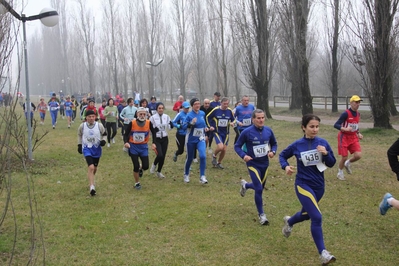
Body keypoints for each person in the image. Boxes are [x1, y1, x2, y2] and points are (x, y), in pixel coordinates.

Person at [279, 114, 337, 265]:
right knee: (316, 217)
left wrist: (326, 154)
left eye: (317, 126)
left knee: (306, 214)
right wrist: (285, 166)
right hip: (303, 185)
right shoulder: (297, 144)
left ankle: (290, 221)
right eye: (311, 126)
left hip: (319, 187)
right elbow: (282, 156)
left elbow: (331, 163)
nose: (315, 129)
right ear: (303, 127)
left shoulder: (323, 143)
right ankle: (323, 253)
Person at [234, 109, 277, 225]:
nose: (261, 120)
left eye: (262, 118)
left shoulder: (268, 131)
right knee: (258, 189)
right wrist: (244, 156)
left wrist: (273, 151)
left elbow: (274, 143)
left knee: (260, 187)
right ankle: (262, 215)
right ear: (253, 119)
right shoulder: (247, 132)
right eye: (258, 118)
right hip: (253, 164)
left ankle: (246, 185)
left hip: (265, 164)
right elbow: (237, 146)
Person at [77, 110, 107, 196]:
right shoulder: (82, 126)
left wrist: (104, 141)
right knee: (91, 167)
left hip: (97, 149)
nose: (91, 118)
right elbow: (79, 134)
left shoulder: (99, 125)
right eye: (89, 117)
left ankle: (91, 179)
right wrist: (79, 145)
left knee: (95, 168)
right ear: (86, 117)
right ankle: (92, 187)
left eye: (93, 116)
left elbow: (105, 134)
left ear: (95, 117)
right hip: (87, 148)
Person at [334, 95, 363, 180]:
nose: (358, 104)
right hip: (344, 137)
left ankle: (348, 163)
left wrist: (358, 133)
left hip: (353, 137)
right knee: (344, 157)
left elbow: (355, 125)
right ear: (351, 103)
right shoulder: (345, 113)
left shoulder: (358, 114)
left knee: (358, 155)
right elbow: (336, 125)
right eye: (356, 102)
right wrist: (345, 129)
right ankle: (340, 172)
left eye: (359, 102)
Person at [124, 107, 154, 190]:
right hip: (133, 146)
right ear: (137, 114)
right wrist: (126, 142)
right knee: (135, 166)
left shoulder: (148, 122)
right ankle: (137, 183)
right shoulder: (132, 123)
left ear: (146, 115)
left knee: (146, 166)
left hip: (143, 147)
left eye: (144, 114)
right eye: (140, 114)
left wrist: (154, 143)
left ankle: (141, 168)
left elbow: (154, 132)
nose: (142, 115)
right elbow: (126, 134)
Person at [182, 98, 209, 184]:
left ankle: (202, 176)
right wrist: (192, 123)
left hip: (200, 139)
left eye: (198, 103)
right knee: (190, 158)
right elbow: (184, 127)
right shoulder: (189, 115)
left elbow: (203, 123)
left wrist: (206, 128)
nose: (197, 105)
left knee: (203, 156)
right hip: (190, 140)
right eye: (195, 104)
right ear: (192, 106)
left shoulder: (202, 113)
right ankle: (186, 174)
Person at [206, 97, 235, 169]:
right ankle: (214, 155)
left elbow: (233, 120)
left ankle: (219, 162)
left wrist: (232, 123)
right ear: (221, 103)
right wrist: (210, 126)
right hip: (217, 132)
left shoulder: (229, 111)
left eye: (227, 104)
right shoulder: (216, 110)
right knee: (220, 147)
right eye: (224, 104)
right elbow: (207, 117)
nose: (226, 105)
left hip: (226, 133)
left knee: (224, 149)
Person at [149, 102, 173, 178]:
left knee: (163, 156)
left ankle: (159, 172)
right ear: (156, 109)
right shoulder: (152, 118)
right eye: (159, 108)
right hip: (157, 139)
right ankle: (154, 165)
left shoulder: (167, 117)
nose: (161, 110)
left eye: (162, 108)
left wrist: (171, 125)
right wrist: (153, 130)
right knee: (160, 155)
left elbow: (169, 127)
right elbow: (149, 130)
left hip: (165, 138)